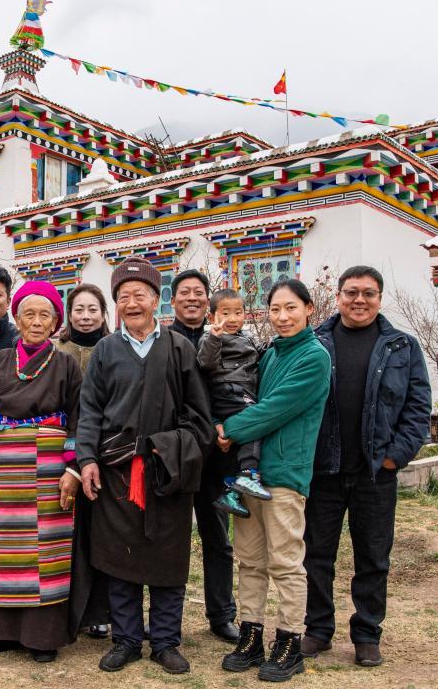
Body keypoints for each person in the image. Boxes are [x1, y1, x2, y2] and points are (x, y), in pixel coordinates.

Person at [77, 257, 214, 675]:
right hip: (116, 471)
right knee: (120, 558)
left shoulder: (179, 348)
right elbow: (90, 412)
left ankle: (166, 641)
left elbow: (199, 416)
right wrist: (86, 460)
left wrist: (168, 449)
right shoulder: (105, 350)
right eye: (123, 297)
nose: (131, 303)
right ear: (116, 304)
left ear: (157, 300)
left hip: (167, 472)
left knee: (167, 558)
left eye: (140, 295)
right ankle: (127, 640)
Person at [302, 266, 431, 668]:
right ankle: (318, 629)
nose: (360, 300)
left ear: (380, 298)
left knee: (373, 557)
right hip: (323, 470)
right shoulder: (315, 342)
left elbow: (418, 407)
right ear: (337, 296)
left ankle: (367, 633)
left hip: (376, 472)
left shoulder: (402, 347)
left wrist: (396, 455)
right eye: (352, 292)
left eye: (369, 294)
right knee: (316, 555)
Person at [0, 281, 84, 663]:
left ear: (56, 321)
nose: (37, 321)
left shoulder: (66, 364)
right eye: (29, 314)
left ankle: (42, 637)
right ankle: (2, 633)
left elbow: (80, 420)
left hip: (48, 468)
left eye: (45, 314)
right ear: (18, 318)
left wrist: (72, 470)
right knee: (0, 549)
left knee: (44, 551)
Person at [215, 279, 331, 681]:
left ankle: (289, 641)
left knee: (285, 562)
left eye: (291, 308)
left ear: (309, 309)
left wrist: (226, 428)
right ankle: (250, 635)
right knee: (249, 560)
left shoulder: (313, 357)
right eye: (276, 309)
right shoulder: (267, 355)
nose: (282, 317)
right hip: (250, 475)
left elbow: (272, 410)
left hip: (284, 474)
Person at [169, 268, 238, 643]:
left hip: (218, 456)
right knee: (171, 540)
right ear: (173, 300)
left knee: (218, 539)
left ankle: (222, 613)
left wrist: (232, 427)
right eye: (184, 293)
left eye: (199, 292)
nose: (192, 298)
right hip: (178, 454)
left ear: (208, 302)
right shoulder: (163, 340)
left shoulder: (230, 338)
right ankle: (166, 619)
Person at [55, 283, 113, 640]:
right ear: (69, 313)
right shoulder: (55, 350)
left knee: (100, 535)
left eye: (93, 309)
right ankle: (61, 606)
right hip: (59, 455)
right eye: (79, 309)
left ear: (104, 314)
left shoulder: (114, 349)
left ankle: (99, 612)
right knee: (64, 534)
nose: (86, 316)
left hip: (106, 454)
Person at [197, 289, 271, 518]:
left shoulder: (246, 336)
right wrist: (215, 338)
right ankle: (248, 474)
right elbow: (206, 363)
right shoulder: (210, 338)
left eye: (238, 312)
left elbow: (259, 353)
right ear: (212, 318)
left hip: (242, 392)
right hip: (228, 392)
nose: (232, 318)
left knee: (235, 444)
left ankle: (231, 492)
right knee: (255, 422)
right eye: (225, 313)